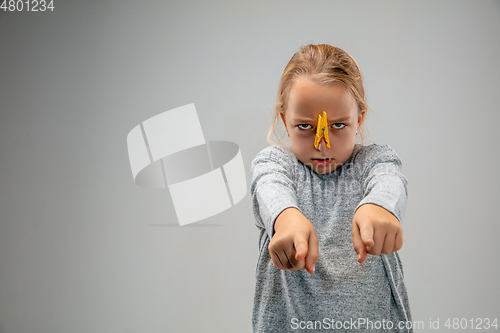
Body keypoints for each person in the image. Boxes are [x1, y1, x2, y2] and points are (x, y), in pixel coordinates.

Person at [251, 44, 412, 332]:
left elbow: (389, 179)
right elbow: (269, 188)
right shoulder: (275, 164)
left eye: (337, 125)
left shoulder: (373, 162)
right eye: (304, 127)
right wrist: (286, 219)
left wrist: (380, 205)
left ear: (359, 119)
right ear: (283, 119)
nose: (321, 143)